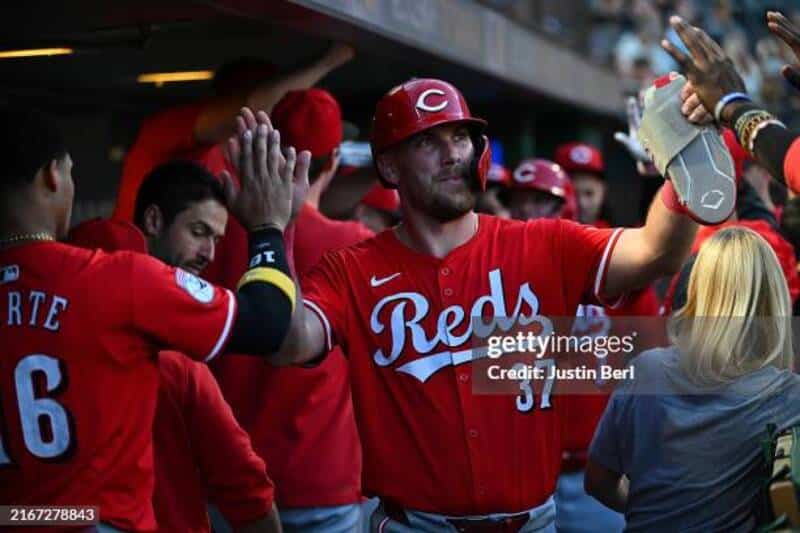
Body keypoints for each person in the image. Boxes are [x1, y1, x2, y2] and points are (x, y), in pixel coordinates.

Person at [246, 77, 702, 531]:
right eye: (428, 141)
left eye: (460, 136)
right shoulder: (351, 268)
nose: (452, 155)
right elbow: (288, 343)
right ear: (388, 166)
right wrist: (273, 228)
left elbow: (657, 252)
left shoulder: (544, 243)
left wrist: (682, 170)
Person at [0, 104, 301, 531]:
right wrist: (269, 227)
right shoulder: (118, 279)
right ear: (52, 175)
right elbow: (268, 325)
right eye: (70, 172)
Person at [69, 164, 280, 533]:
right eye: (199, 232)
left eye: (216, 239)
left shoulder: (31, 325)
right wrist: (268, 231)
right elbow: (242, 481)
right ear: (153, 220)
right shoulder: (174, 358)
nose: (209, 253)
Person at [212, 88, 371, 533]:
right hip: (321, 482)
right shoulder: (354, 244)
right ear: (334, 158)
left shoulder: (217, 229)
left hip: (231, 481)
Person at [586, 227, 800, 531]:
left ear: (698, 289)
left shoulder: (647, 370)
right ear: (773, 300)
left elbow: (597, 482)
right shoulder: (788, 396)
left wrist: (656, 510)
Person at [553, 142, 611, 226]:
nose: (581, 203)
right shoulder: (538, 236)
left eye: (589, 194)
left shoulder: (617, 236)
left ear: (603, 191)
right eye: (573, 194)